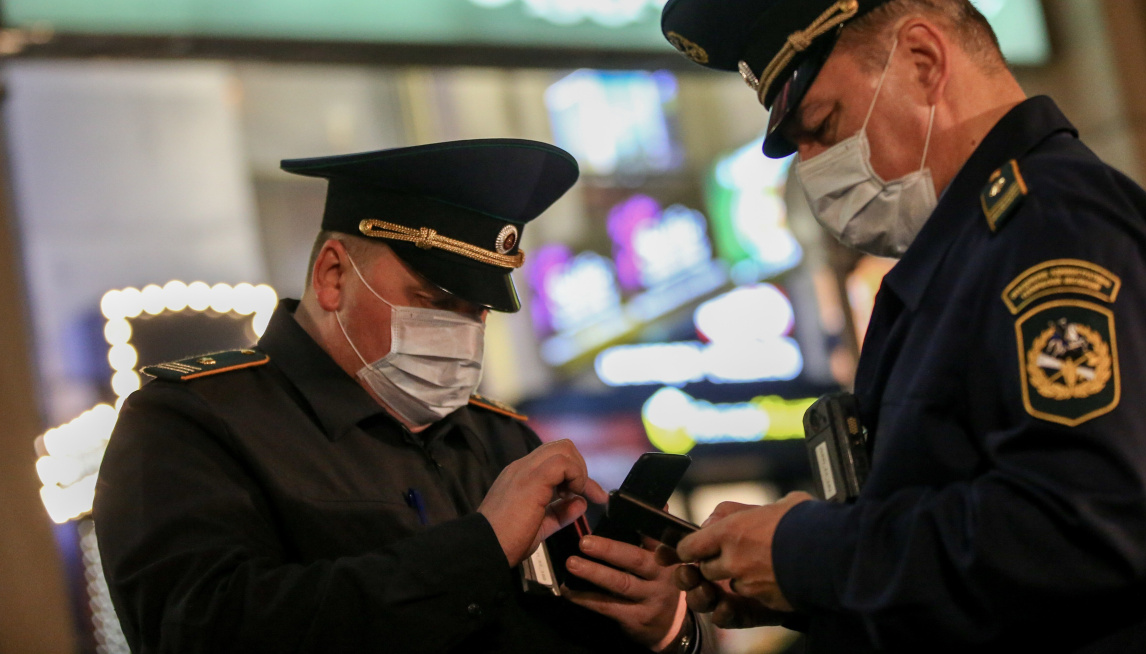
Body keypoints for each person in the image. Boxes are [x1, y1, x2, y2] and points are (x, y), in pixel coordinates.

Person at [655, 0, 1146, 650]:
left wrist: (809, 554)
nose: (814, 171)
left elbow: (1085, 529)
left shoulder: (1050, 224)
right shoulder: (964, 253)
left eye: (823, 127)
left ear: (923, 61)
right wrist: (799, 583)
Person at [94, 139, 703, 653]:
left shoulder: (500, 439)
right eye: (435, 302)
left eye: (478, 311)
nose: (462, 332)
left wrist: (662, 627)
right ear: (333, 276)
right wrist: (481, 548)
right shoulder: (191, 423)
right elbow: (206, 632)